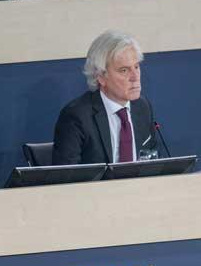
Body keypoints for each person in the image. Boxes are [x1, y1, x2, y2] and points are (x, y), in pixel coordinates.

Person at [52, 31, 161, 165]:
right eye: (124, 70)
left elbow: (153, 164)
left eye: (136, 67)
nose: (135, 77)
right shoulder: (77, 117)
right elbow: (67, 179)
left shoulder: (142, 107)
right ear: (101, 77)